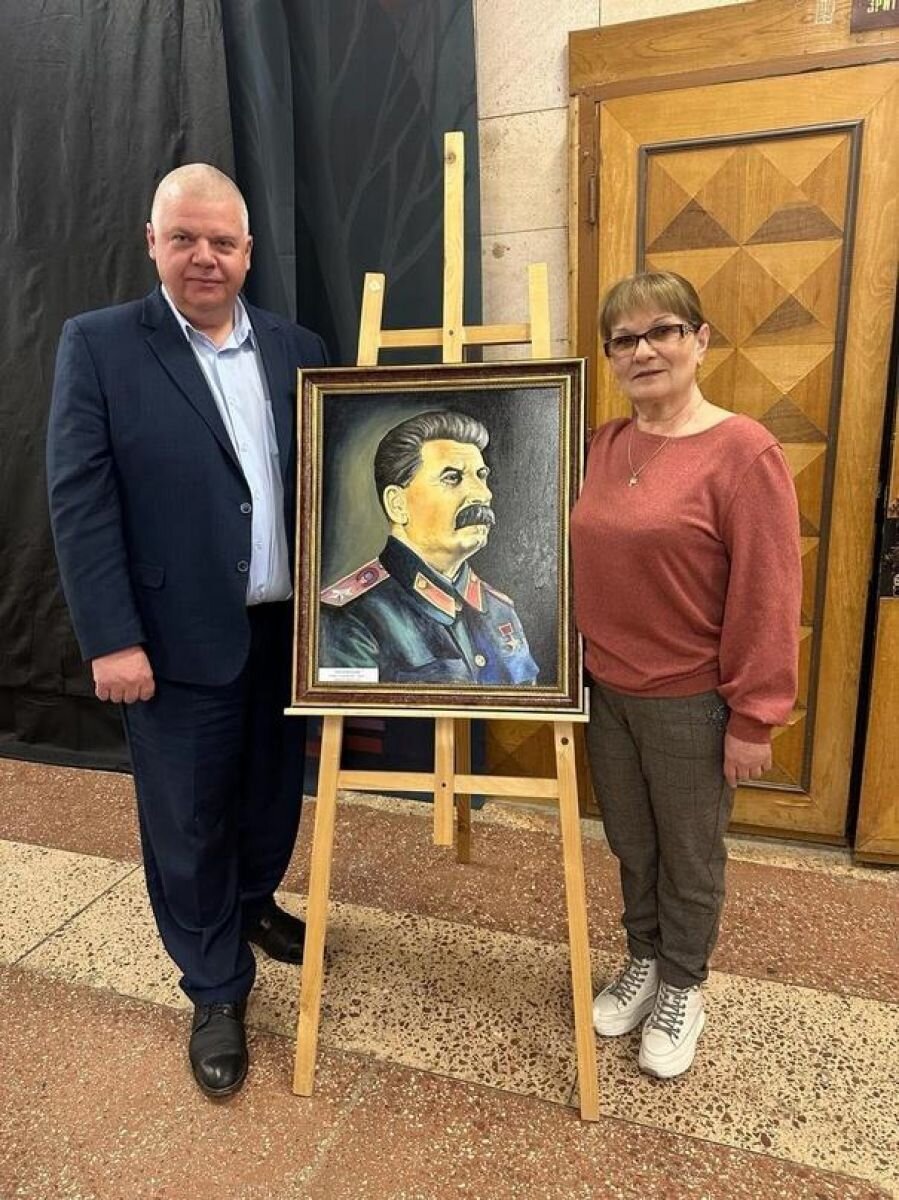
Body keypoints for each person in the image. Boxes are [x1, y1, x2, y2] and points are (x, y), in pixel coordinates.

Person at [46, 163, 328, 1099]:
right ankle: (214, 987)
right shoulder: (99, 345)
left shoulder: (298, 348)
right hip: (169, 640)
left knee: (270, 797)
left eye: (222, 241)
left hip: (286, 636)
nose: (204, 256)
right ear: (152, 244)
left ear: (248, 252)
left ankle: (251, 905)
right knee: (188, 819)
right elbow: (80, 502)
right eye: (184, 239)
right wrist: (109, 638)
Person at [571, 271, 801, 1079]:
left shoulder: (742, 451)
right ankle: (643, 959)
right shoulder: (599, 445)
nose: (643, 351)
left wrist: (755, 716)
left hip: (691, 702)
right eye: (623, 340)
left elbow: (769, 591)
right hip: (606, 692)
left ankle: (681, 985)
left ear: (699, 340)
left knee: (690, 856)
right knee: (632, 844)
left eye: (662, 331)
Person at [319, 409, 538, 685]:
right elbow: (350, 709)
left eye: (481, 476)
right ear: (397, 504)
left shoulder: (499, 611)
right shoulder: (351, 615)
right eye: (452, 477)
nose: (483, 493)